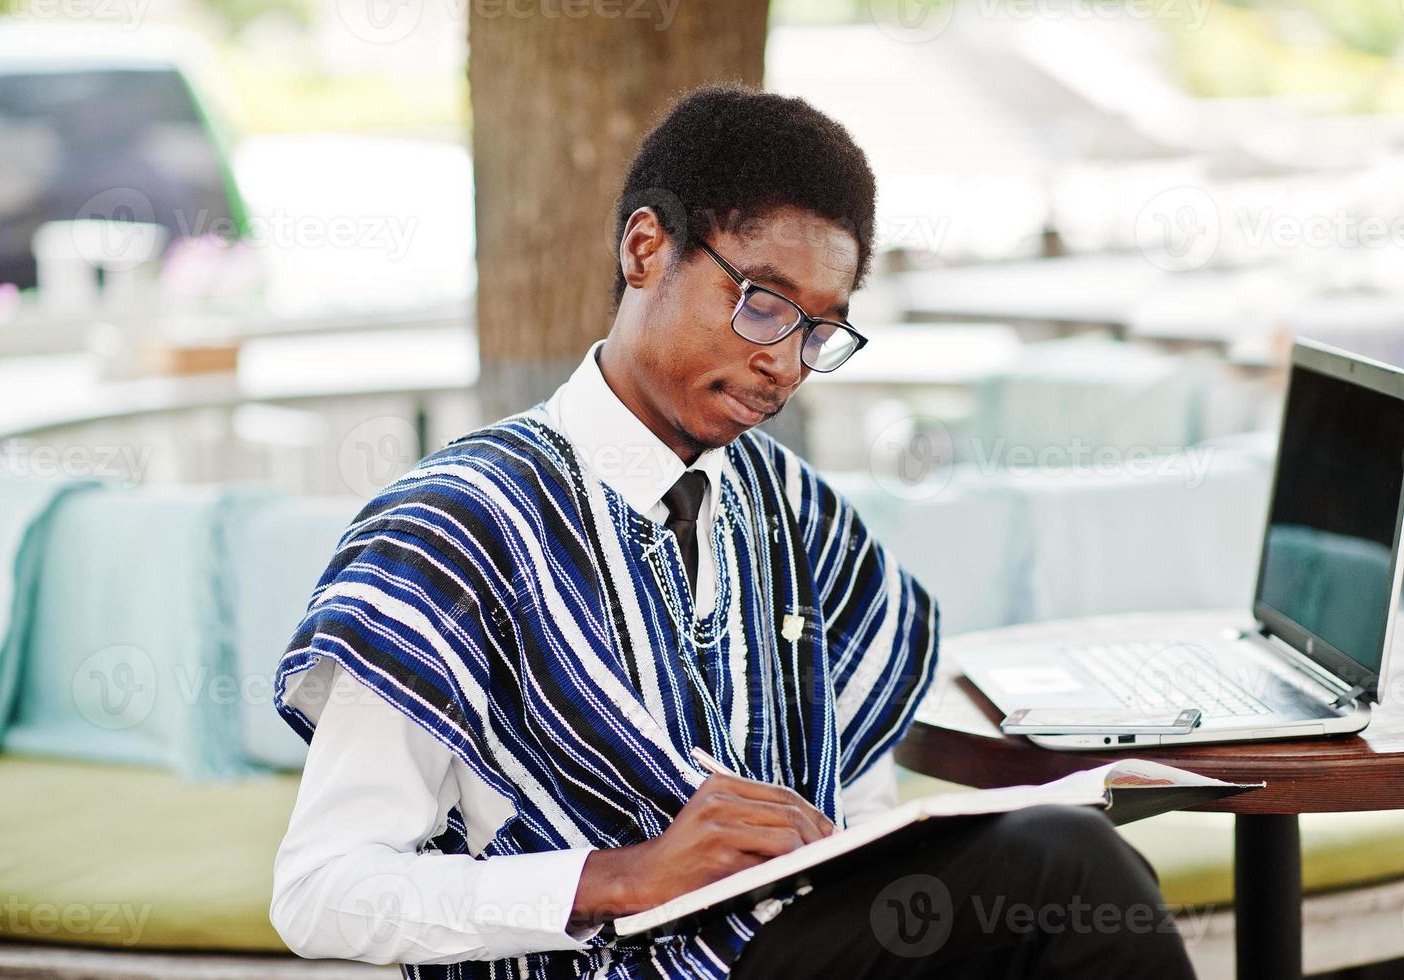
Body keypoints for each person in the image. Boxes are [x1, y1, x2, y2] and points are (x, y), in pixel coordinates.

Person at [269, 84, 1198, 979]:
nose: (784, 361)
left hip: (789, 941)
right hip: (599, 967)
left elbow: (854, 782)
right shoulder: (453, 526)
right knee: (1063, 870)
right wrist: (615, 877)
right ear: (645, 249)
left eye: (819, 332)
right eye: (761, 301)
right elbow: (319, 891)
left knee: (1065, 891)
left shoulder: (787, 504)